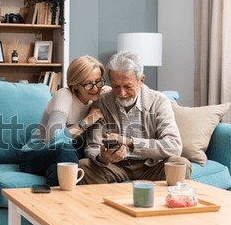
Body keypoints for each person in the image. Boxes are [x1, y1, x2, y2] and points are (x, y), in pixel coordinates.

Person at [19, 55, 107, 225]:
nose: (95, 88)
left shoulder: (101, 95)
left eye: (99, 81)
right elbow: (54, 138)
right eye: (88, 83)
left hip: (60, 160)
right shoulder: (63, 96)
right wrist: (86, 122)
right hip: (34, 155)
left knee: (60, 173)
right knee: (66, 151)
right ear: (75, 84)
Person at [79, 51, 191, 184]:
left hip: (150, 165)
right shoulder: (101, 103)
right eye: (116, 86)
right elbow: (92, 146)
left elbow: (174, 145)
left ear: (141, 80)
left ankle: (172, 202)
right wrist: (103, 157)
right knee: (83, 166)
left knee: (180, 163)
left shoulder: (159, 101)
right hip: (115, 166)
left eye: (127, 86)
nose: (121, 93)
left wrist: (130, 142)